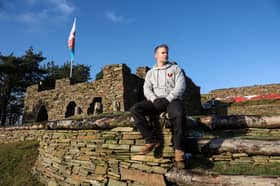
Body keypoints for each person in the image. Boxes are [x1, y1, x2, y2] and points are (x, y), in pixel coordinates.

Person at [130, 44, 187, 168]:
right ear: (156, 55)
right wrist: (154, 99)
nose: (166, 54)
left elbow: (181, 86)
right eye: (163, 53)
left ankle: (179, 149)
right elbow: (146, 89)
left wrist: (168, 99)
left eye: (166, 52)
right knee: (135, 109)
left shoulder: (175, 69)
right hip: (156, 101)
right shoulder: (150, 73)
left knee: (179, 114)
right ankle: (150, 140)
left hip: (172, 100)